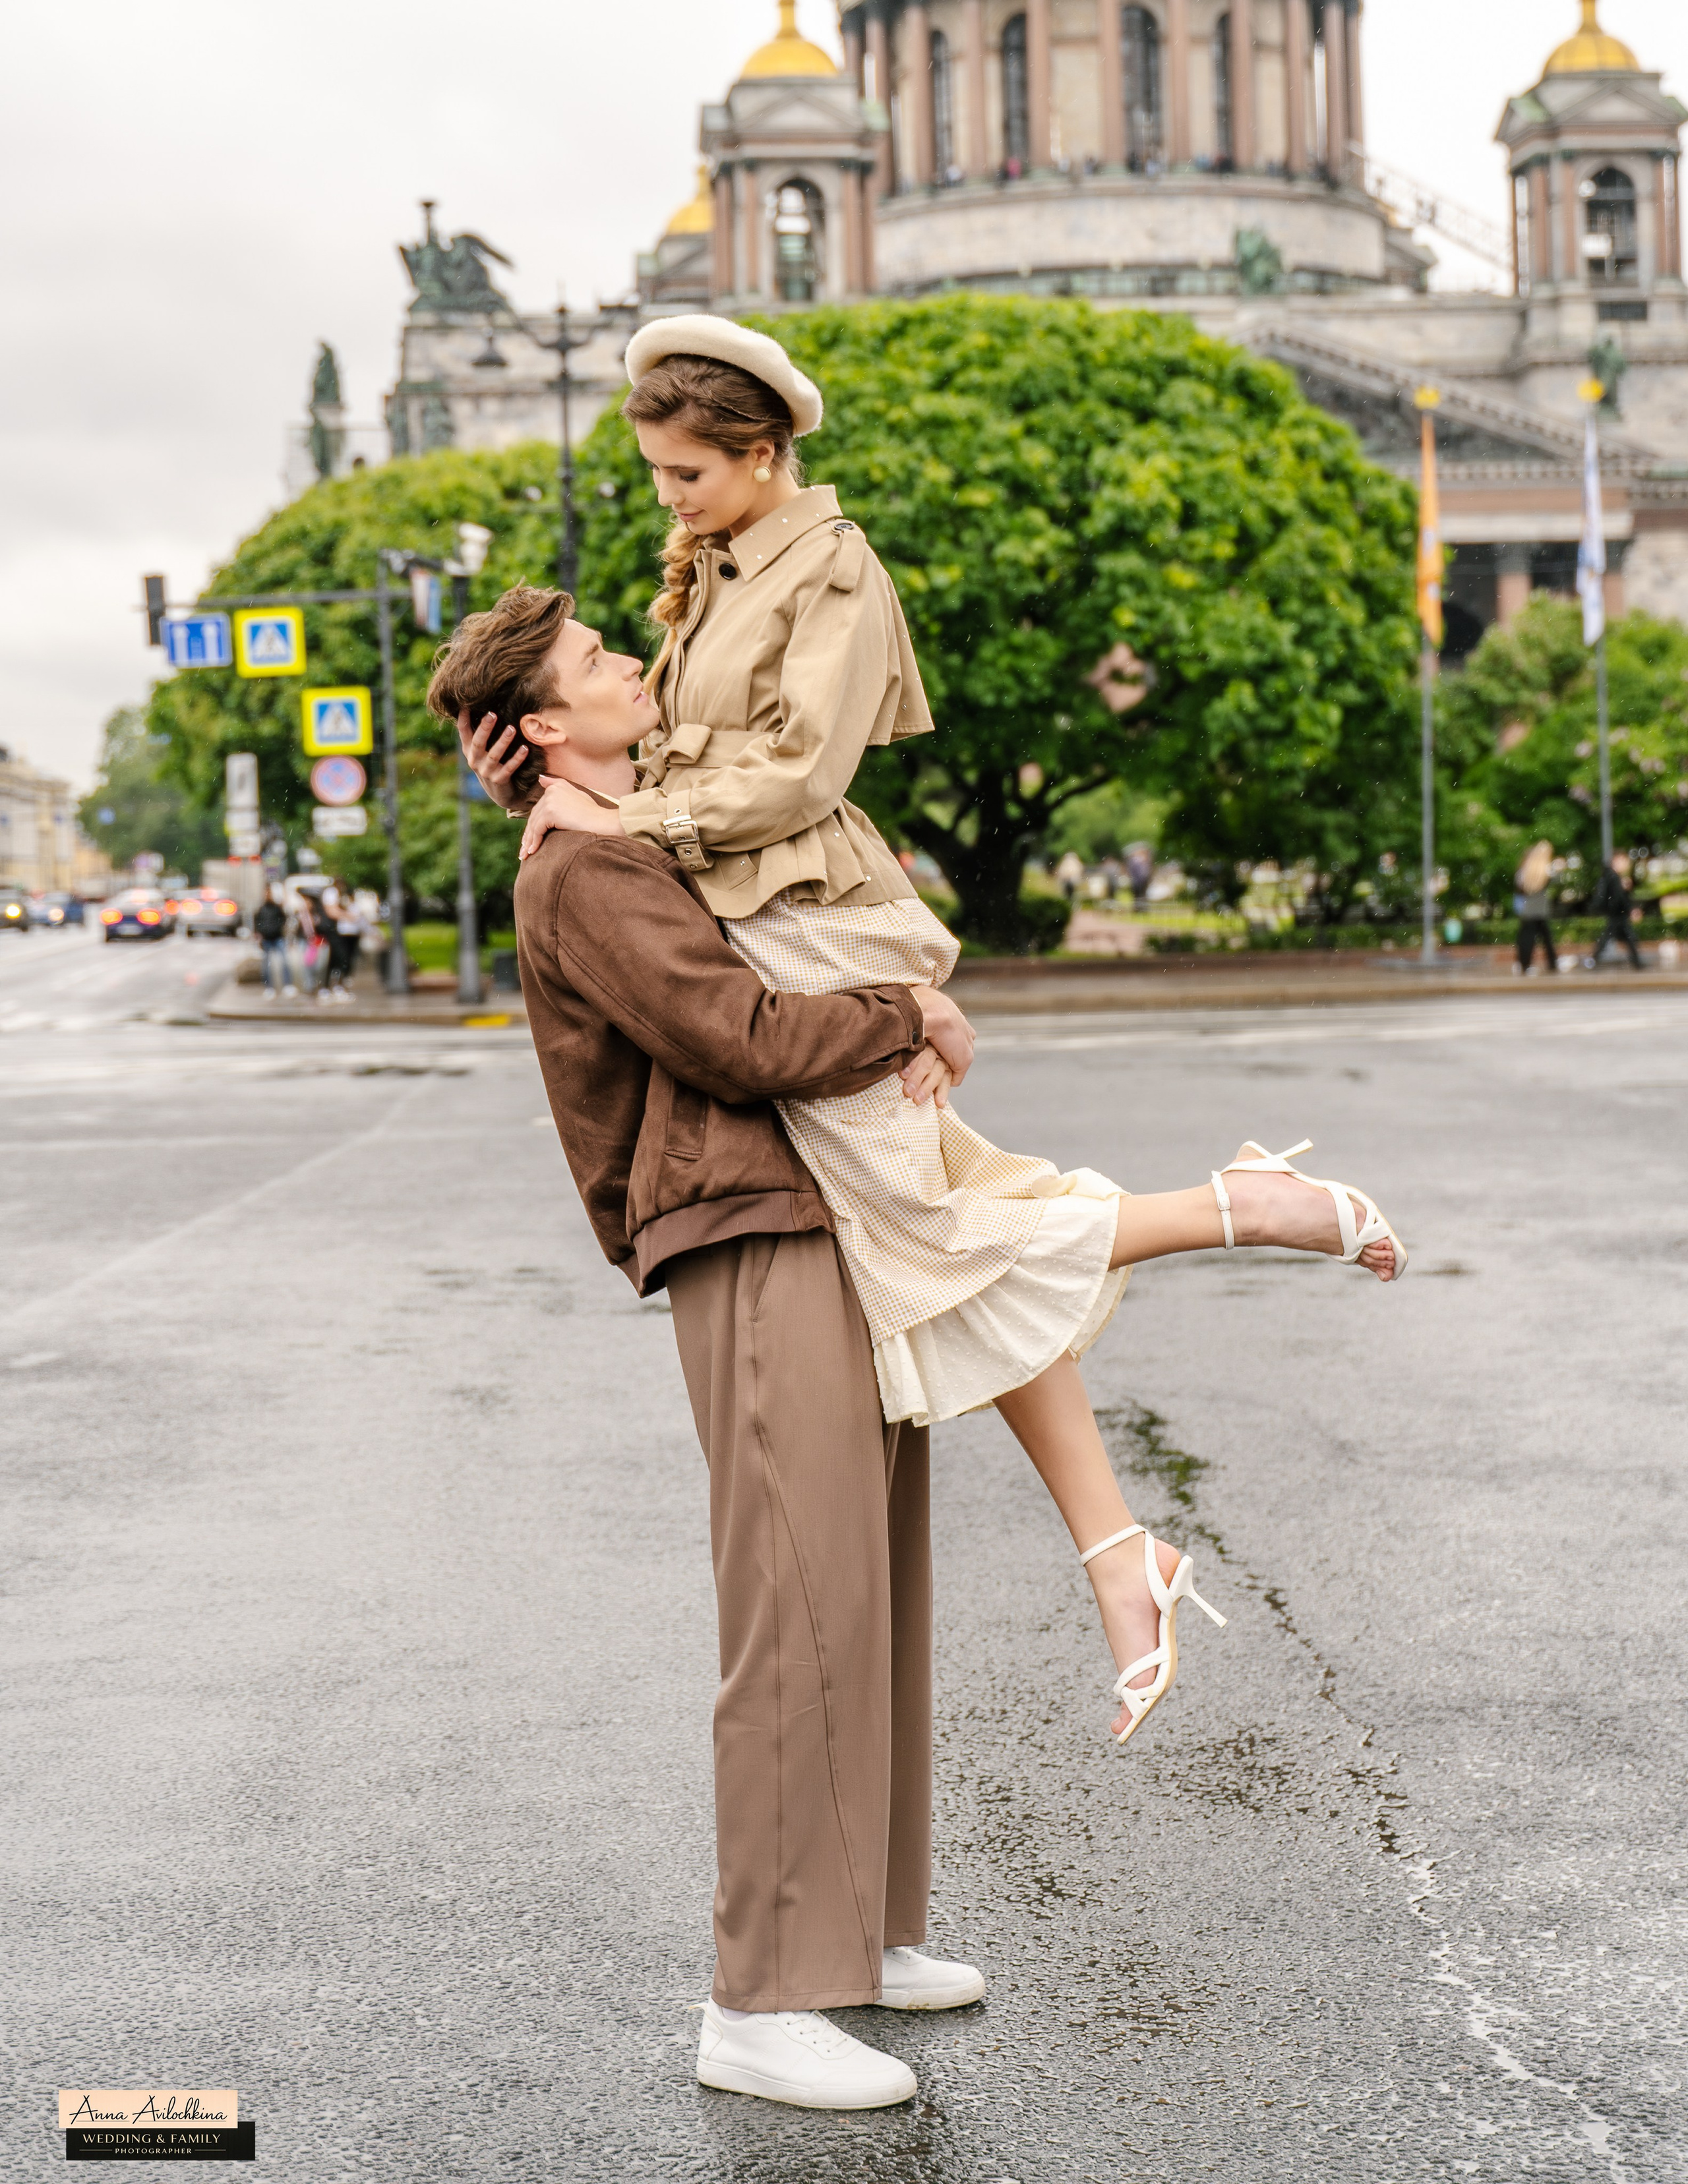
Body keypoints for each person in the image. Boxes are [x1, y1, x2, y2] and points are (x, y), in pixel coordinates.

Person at [1590, 850, 1644, 970]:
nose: (1626, 865)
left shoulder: (1611, 875)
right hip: (1617, 913)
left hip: (1616, 913)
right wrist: (1630, 909)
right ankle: (1637, 963)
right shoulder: (1613, 877)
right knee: (1624, 937)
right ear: (1617, 861)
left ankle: (1637, 962)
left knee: (1620, 937)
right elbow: (1618, 898)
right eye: (1624, 861)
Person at [1513, 839, 1557, 975]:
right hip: (1540, 910)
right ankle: (1551, 963)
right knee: (1545, 937)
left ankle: (1524, 963)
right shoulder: (1546, 869)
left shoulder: (1526, 870)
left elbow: (1520, 886)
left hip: (1529, 909)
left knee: (1527, 937)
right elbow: (1554, 879)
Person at [253, 885, 295, 999]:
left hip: (277, 937)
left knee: (284, 962)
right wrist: (259, 935)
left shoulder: (277, 908)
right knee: (266, 966)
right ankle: (269, 987)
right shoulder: (261, 909)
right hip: (267, 939)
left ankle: (287, 985)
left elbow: (284, 919)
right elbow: (257, 923)